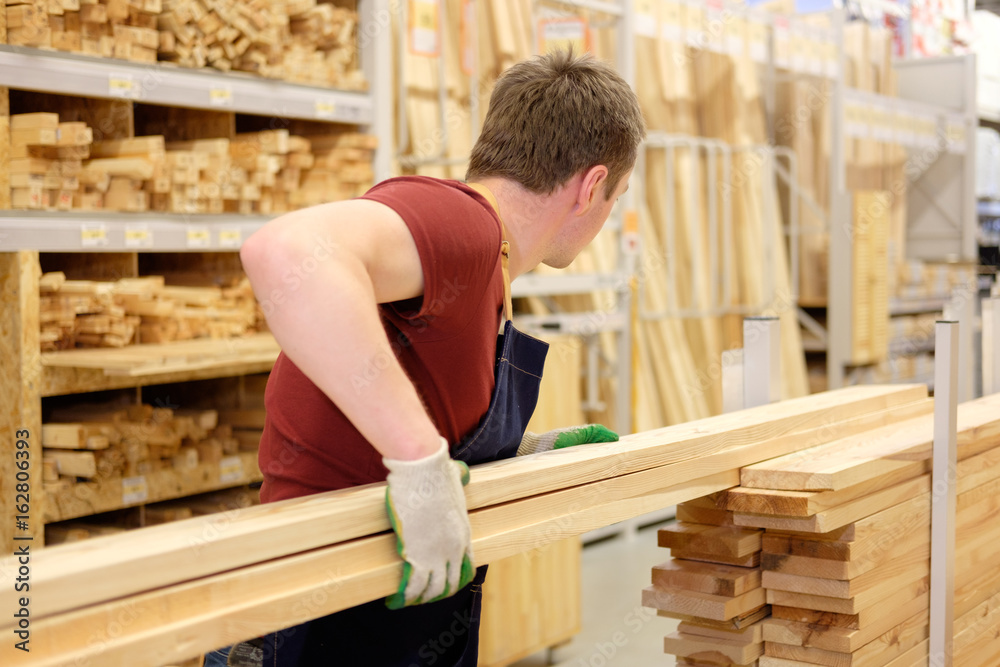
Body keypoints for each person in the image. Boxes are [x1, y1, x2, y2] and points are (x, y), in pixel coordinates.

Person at [205, 49, 645, 667]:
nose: (606, 216)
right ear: (591, 185)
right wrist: (419, 459)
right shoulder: (463, 224)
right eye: (615, 199)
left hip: (384, 623)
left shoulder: (488, 267)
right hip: (316, 627)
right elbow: (284, 251)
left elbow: (415, 394)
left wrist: (503, 457)